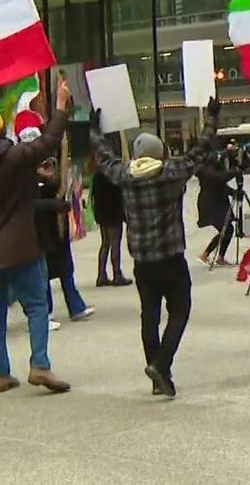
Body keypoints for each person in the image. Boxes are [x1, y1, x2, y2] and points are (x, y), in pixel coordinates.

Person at [91, 97, 219, 397]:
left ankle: (156, 374)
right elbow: (200, 151)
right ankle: (162, 364)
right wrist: (212, 117)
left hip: (142, 261)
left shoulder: (124, 175)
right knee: (180, 310)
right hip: (171, 256)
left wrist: (96, 131)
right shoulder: (170, 173)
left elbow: (103, 157)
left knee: (149, 314)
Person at [0, 83, 72, 394]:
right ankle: (40, 365)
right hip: (21, 245)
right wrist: (61, 106)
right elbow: (49, 141)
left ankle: (1, 373)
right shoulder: (17, 156)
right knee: (35, 306)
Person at [33, 155, 95, 325]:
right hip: (41, 233)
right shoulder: (29, 181)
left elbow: (60, 188)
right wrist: (56, 202)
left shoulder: (54, 176)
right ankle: (45, 312)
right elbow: (35, 204)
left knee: (66, 271)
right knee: (43, 276)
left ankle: (76, 307)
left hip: (57, 233)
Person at [87, 151, 130, 287]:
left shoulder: (97, 174)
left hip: (102, 213)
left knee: (105, 243)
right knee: (115, 243)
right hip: (114, 212)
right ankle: (117, 274)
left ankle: (101, 274)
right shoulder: (113, 175)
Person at [196, 148, 234, 267]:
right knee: (225, 229)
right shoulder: (205, 169)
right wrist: (234, 171)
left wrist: (234, 192)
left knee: (227, 229)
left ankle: (217, 256)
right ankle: (208, 254)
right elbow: (218, 179)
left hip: (219, 202)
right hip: (210, 204)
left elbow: (221, 185)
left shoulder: (215, 167)